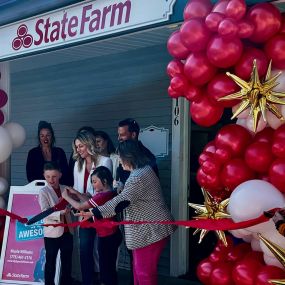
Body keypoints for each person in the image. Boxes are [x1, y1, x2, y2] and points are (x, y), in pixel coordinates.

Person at [78, 140, 176, 285]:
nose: (119, 161)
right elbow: (131, 194)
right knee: (138, 273)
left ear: (129, 156)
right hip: (146, 232)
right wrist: (122, 187)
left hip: (150, 232)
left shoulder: (138, 176)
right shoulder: (142, 171)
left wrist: (94, 212)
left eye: (120, 157)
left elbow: (123, 201)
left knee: (144, 275)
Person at [116, 118, 159, 284]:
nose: (119, 138)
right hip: (128, 216)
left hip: (144, 220)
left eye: (122, 135)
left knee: (144, 268)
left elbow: (150, 188)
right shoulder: (122, 153)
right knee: (134, 258)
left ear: (133, 134)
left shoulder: (147, 157)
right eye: (118, 134)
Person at [62, 166, 122, 285]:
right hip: (113, 234)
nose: (93, 185)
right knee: (109, 268)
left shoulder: (102, 197)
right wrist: (76, 193)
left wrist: (66, 196)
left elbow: (80, 206)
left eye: (95, 182)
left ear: (104, 181)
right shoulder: (111, 192)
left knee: (106, 269)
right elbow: (88, 201)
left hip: (107, 237)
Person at [71, 129, 112, 285]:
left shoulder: (105, 161)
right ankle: (88, 281)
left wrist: (85, 198)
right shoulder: (77, 164)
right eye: (77, 147)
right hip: (84, 211)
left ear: (89, 144)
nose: (78, 150)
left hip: (100, 211)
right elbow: (77, 188)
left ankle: (103, 279)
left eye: (81, 146)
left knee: (101, 250)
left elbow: (106, 190)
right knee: (85, 249)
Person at [38, 162, 73, 285]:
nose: (51, 179)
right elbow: (44, 212)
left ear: (60, 175)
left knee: (67, 262)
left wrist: (70, 209)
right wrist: (61, 213)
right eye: (47, 176)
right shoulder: (43, 192)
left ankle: (66, 282)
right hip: (52, 233)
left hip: (68, 231)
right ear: (43, 175)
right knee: (50, 262)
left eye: (54, 176)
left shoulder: (65, 188)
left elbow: (73, 204)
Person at [26, 121, 70, 185]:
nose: (45, 138)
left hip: (58, 188)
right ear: (39, 137)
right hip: (39, 189)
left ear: (52, 136)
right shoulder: (32, 153)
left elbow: (65, 173)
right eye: (42, 136)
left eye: (48, 135)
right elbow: (30, 176)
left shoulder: (60, 152)